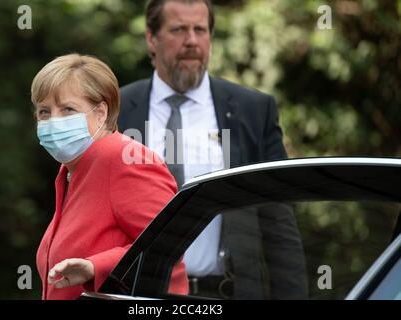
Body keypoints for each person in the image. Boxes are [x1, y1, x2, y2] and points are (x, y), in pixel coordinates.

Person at [119, 0, 307, 299]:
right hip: (139, 297)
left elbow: (279, 224)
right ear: (151, 38)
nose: (192, 41)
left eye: (200, 30)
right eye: (179, 29)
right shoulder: (115, 111)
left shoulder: (252, 111)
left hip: (224, 294)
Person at [32, 53, 188, 300]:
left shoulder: (125, 158)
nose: (53, 121)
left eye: (68, 109)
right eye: (44, 111)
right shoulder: (73, 171)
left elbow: (167, 250)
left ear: (101, 112)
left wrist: (95, 266)